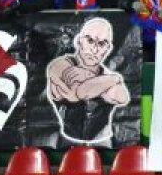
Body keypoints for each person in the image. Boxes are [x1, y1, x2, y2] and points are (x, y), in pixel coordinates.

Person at [46, 16, 131, 145]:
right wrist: (110, 81)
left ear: (107, 50)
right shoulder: (59, 66)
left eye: (102, 44)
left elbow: (123, 98)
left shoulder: (110, 77)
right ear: (79, 41)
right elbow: (78, 93)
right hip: (67, 141)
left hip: (102, 141)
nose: (95, 49)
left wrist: (113, 78)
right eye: (90, 40)